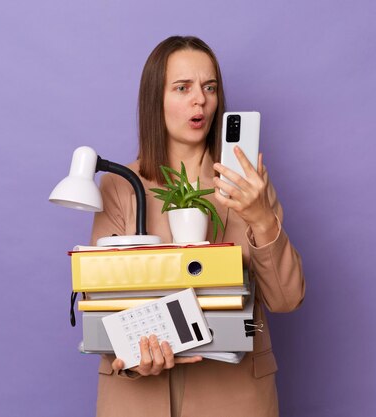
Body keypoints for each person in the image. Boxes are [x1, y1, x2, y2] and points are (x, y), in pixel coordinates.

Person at [90, 35, 305, 417]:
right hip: (138, 401)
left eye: (209, 87)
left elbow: (287, 300)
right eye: (182, 88)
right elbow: (102, 309)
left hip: (234, 397)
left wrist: (259, 217)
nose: (200, 101)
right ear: (155, 99)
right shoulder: (120, 185)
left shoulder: (249, 184)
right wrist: (134, 355)